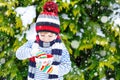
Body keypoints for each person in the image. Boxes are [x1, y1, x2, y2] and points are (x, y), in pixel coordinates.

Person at [16, 1, 71, 80]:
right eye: (42, 35)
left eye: (50, 36)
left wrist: (52, 69)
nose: (46, 38)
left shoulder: (61, 47)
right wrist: (32, 52)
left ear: (56, 35)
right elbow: (19, 54)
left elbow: (67, 66)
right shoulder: (33, 43)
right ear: (38, 33)